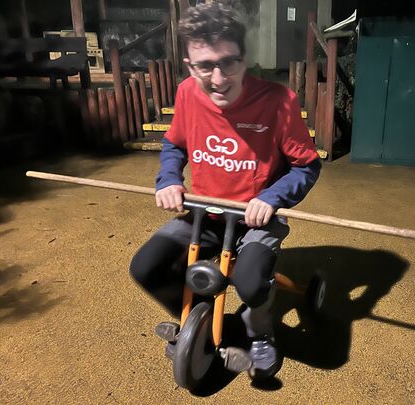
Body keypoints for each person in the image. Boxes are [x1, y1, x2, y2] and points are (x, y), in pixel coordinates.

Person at [129, 2, 321, 380]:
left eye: (229, 62)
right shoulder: (187, 94)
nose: (218, 78)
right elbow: (174, 146)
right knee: (146, 267)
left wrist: (271, 198)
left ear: (244, 57)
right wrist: (168, 179)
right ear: (188, 64)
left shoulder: (279, 103)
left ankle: (259, 333)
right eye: (205, 66)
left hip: (254, 219)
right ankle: (199, 320)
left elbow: (307, 165)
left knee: (249, 283)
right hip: (204, 212)